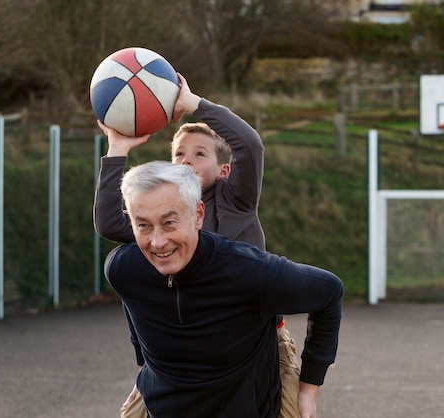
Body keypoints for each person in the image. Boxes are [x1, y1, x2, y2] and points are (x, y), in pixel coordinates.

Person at [94, 74, 301, 416]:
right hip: (183, 350)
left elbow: (250, 146)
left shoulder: (236, 201)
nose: (186, 159)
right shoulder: (166, 217)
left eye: (199, 153)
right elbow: (110, 223)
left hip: (258, 345)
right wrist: (117, 149)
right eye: (179, 153)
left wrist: (193, 105)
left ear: (224, 170)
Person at [104, 160, 343, 418]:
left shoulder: (249, 272)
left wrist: (308, 389)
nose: (158, 241)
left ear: (198, 215)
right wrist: (143, 364)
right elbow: (133, 303)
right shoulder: (124, 269)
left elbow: (329, 292)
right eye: (144, 225)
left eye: (169, 223)